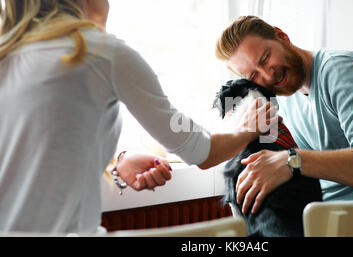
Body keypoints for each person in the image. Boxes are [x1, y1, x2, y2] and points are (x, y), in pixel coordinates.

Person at [0, 1, 278, 233]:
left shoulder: (10, 52)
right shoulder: (101, 52)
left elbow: (38, 150)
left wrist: (117, 163)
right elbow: (201, 152)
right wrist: (247, 129)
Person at [214, 15, 353, 216]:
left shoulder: (341, 71)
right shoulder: (288, 96)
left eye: (266, 58)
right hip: (328, 216)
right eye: (253, 76)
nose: (268, 76)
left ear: (281, 36)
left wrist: (292, 160)